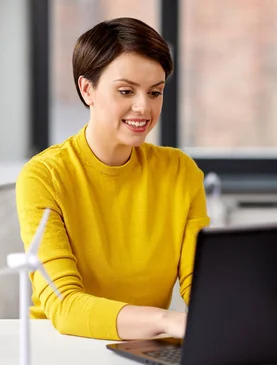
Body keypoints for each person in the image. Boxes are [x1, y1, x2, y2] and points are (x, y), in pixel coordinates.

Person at [16, 17, 210, 341]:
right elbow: (64, 305)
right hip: (58, 348)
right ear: (87, 89)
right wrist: (165, 321)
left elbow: (202, 285)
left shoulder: (181, 173)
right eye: (126, 91)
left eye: (155, 92)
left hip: (144, 350)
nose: (143, 107)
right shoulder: (44, 177)